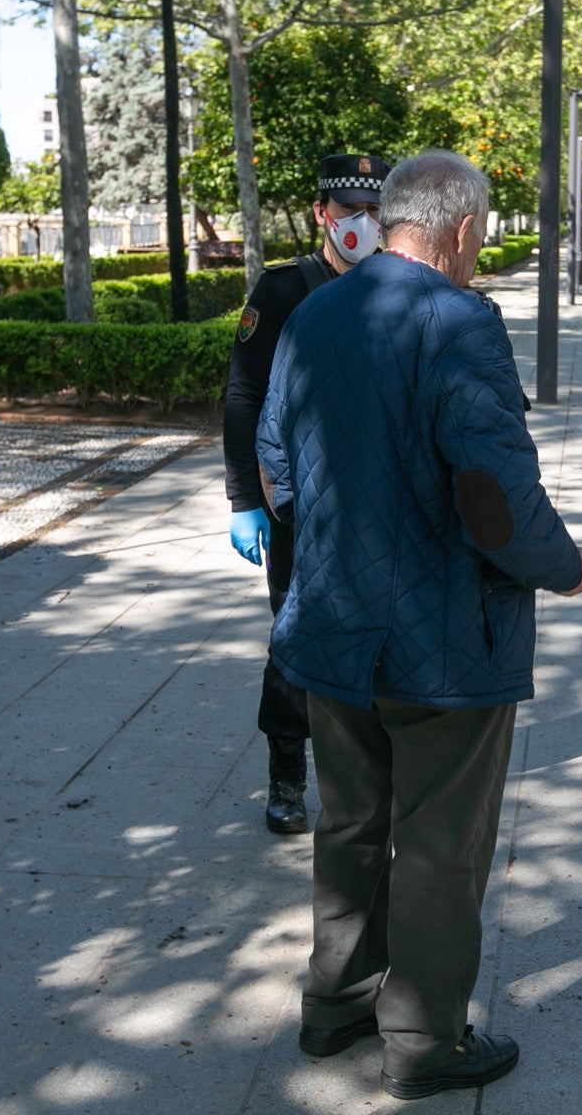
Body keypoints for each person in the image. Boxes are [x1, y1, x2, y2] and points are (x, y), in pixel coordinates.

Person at [257, 149, 582, 1100]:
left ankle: (334, 1008)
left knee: (351, 826)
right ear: (458, 229)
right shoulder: (462, 323)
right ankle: (421, 1042)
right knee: (441, 848)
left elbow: (274, 464)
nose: (482, 247)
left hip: (330, 632)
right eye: (483, 232)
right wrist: (566, 566)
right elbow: (493, 492)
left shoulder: (317, 310)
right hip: (442, 645)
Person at [222, 152, 389, 834]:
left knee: (382, 634)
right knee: (296, 637)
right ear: (322, 213)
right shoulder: (285, 289)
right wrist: (243, 499)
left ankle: (370, 775)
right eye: (351, 212)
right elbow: (243, 396)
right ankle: (287, 773)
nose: (364, 225)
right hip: (296, 499)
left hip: (379, 497)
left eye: (376, 212)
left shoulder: (395, 283)